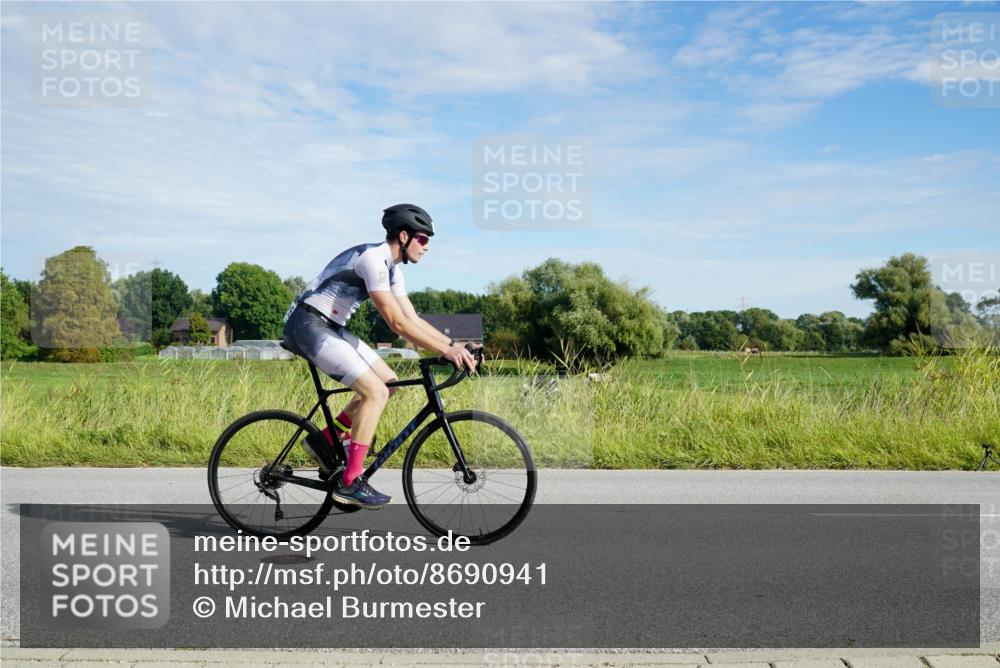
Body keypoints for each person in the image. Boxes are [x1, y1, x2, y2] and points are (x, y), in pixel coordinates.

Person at [282, 204, 478, 509]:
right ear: (404, 236)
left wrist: (454, 345)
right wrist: (447, 351)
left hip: (330, 326)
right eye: (423, 239)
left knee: (389, 384)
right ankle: (350, 482)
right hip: (307, 325)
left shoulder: (393, 272)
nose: (427, 247)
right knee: (374, 393)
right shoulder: (373, 260)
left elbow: (411, 318)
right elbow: (396, 324)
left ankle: (326, 440)